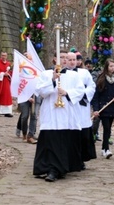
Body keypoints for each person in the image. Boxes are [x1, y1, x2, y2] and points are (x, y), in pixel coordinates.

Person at [33, 52, 85, 182]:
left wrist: (67, 92)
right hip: (51, 114)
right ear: (55, 59)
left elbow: (80, 92)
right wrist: (52, 80)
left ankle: (59, 168)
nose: (64, 60)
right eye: (61, 57)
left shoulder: (74, 75)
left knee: (63, 143)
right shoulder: (45, 74)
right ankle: (51, 169)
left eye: (66, 58)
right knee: (51, 142)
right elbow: (40, 92)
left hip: (66, 115)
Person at [67, 52, 96, 168]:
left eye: (76, 60)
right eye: (71, 60)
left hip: (82, 105)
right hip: (70, 106)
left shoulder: (84, 73)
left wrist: (82, 94)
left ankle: (81, 159)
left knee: (83, 135)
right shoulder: (63, 74)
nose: (74, 62)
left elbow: (91, 86)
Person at [92, 58, 114, 159]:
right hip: (103, 107)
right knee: (106, 128)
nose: (112, 68)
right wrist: (96, 109)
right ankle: (106, 149)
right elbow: (96, 96)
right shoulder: (101, 79)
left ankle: (104, 148)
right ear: (107, 67)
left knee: (108, 129)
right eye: (110, 66)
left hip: (112, 108)